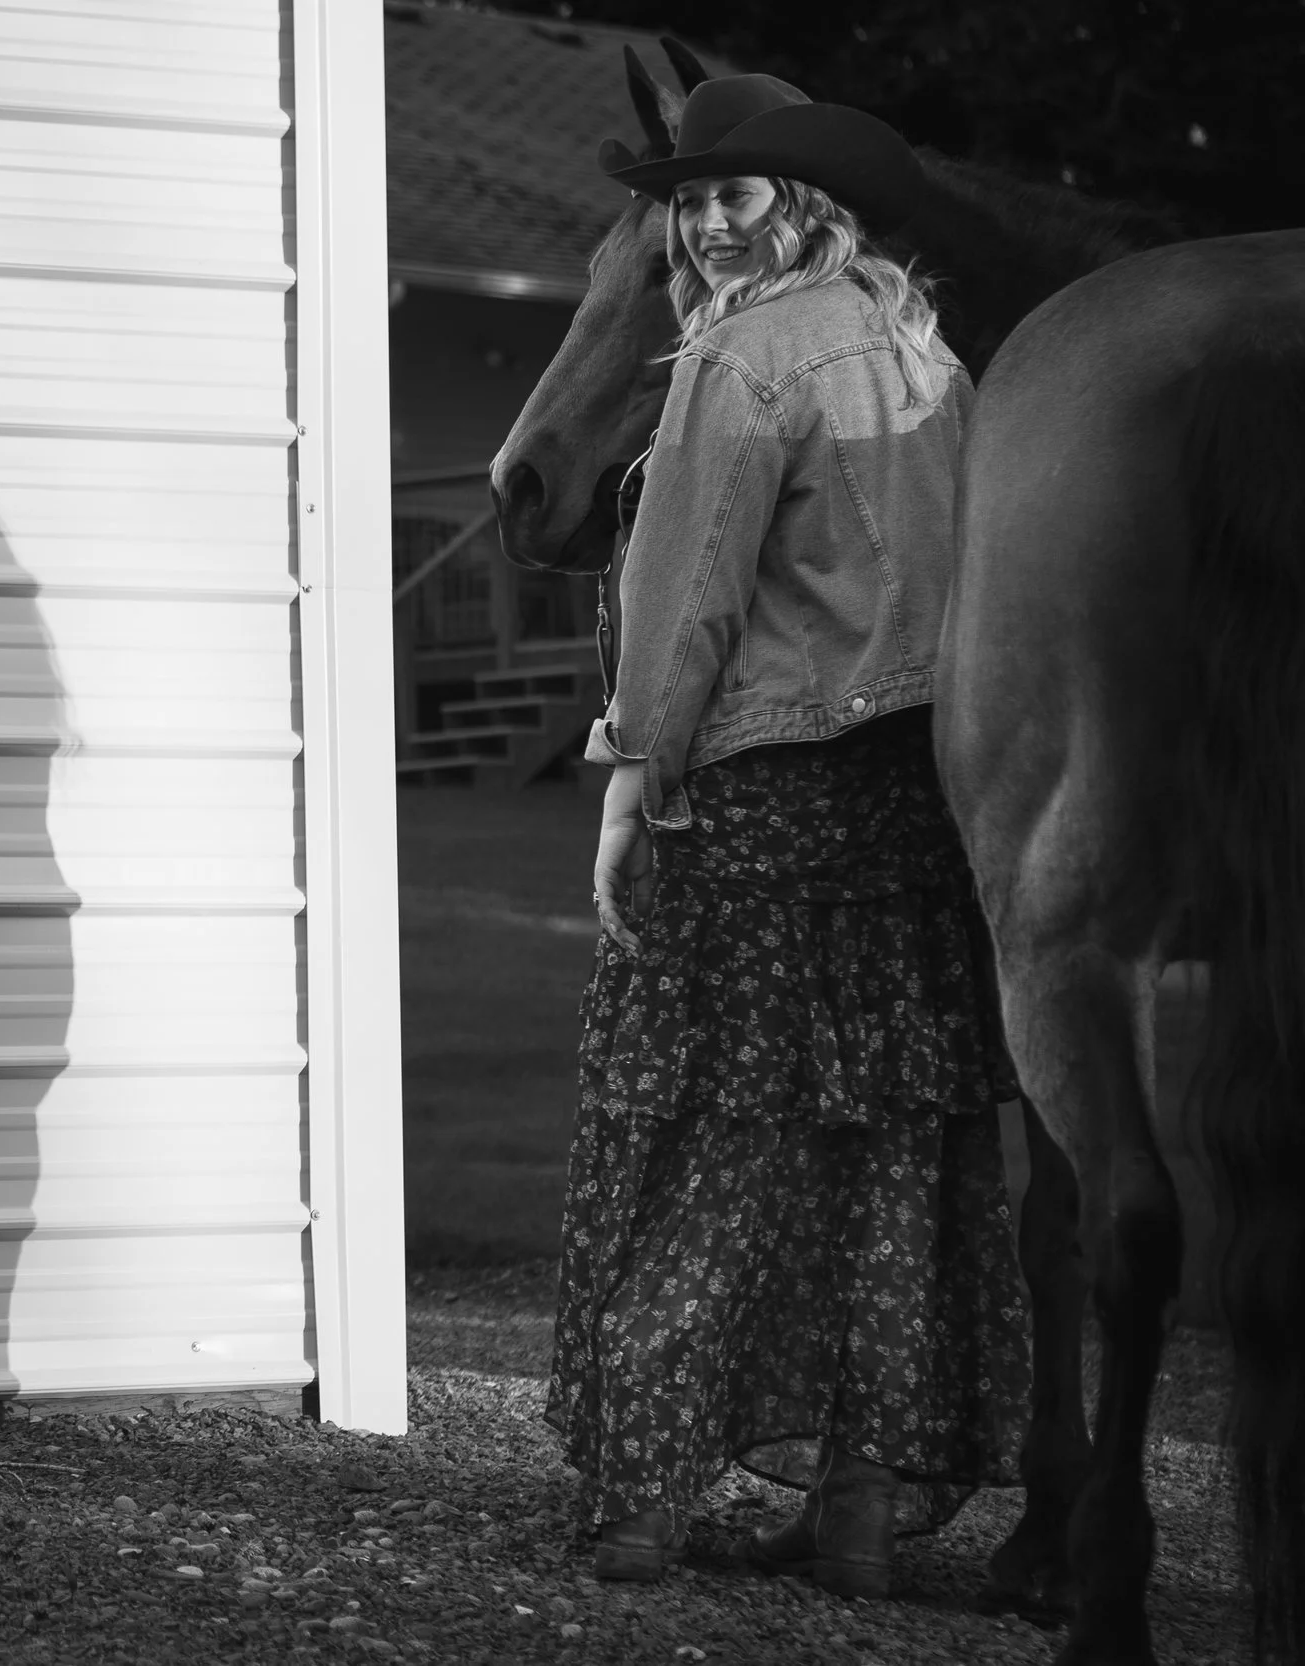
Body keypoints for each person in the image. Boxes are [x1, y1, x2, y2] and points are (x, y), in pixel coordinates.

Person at [545, 74, 1031, 1597]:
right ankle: (860, 1513)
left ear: (802, 205)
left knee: (709, 1133)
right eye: (689, 200)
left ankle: (642, 1501)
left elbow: (686, 592)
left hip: (764, 789)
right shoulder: (926, 350)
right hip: (917, 794)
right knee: (890, 1148)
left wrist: (634, 776)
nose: (703, 221)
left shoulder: (738, 355)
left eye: (731, 194)